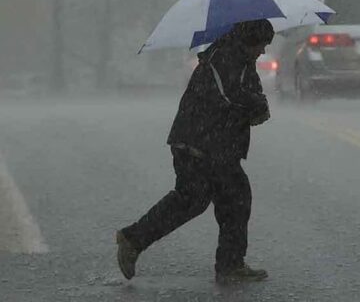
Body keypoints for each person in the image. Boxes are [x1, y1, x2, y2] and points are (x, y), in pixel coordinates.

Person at [116, 19, 275, 284]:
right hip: (200, 143)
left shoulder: (240, 58)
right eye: (262, 45)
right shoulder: (224, 56)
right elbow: (231, 94)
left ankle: (228, 263)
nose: (263, 51)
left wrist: (259, 106)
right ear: (250, 40)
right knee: (210, 198)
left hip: (213, 144)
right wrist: (256, 107)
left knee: (218, 199)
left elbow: (250, 92)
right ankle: (134, 239)